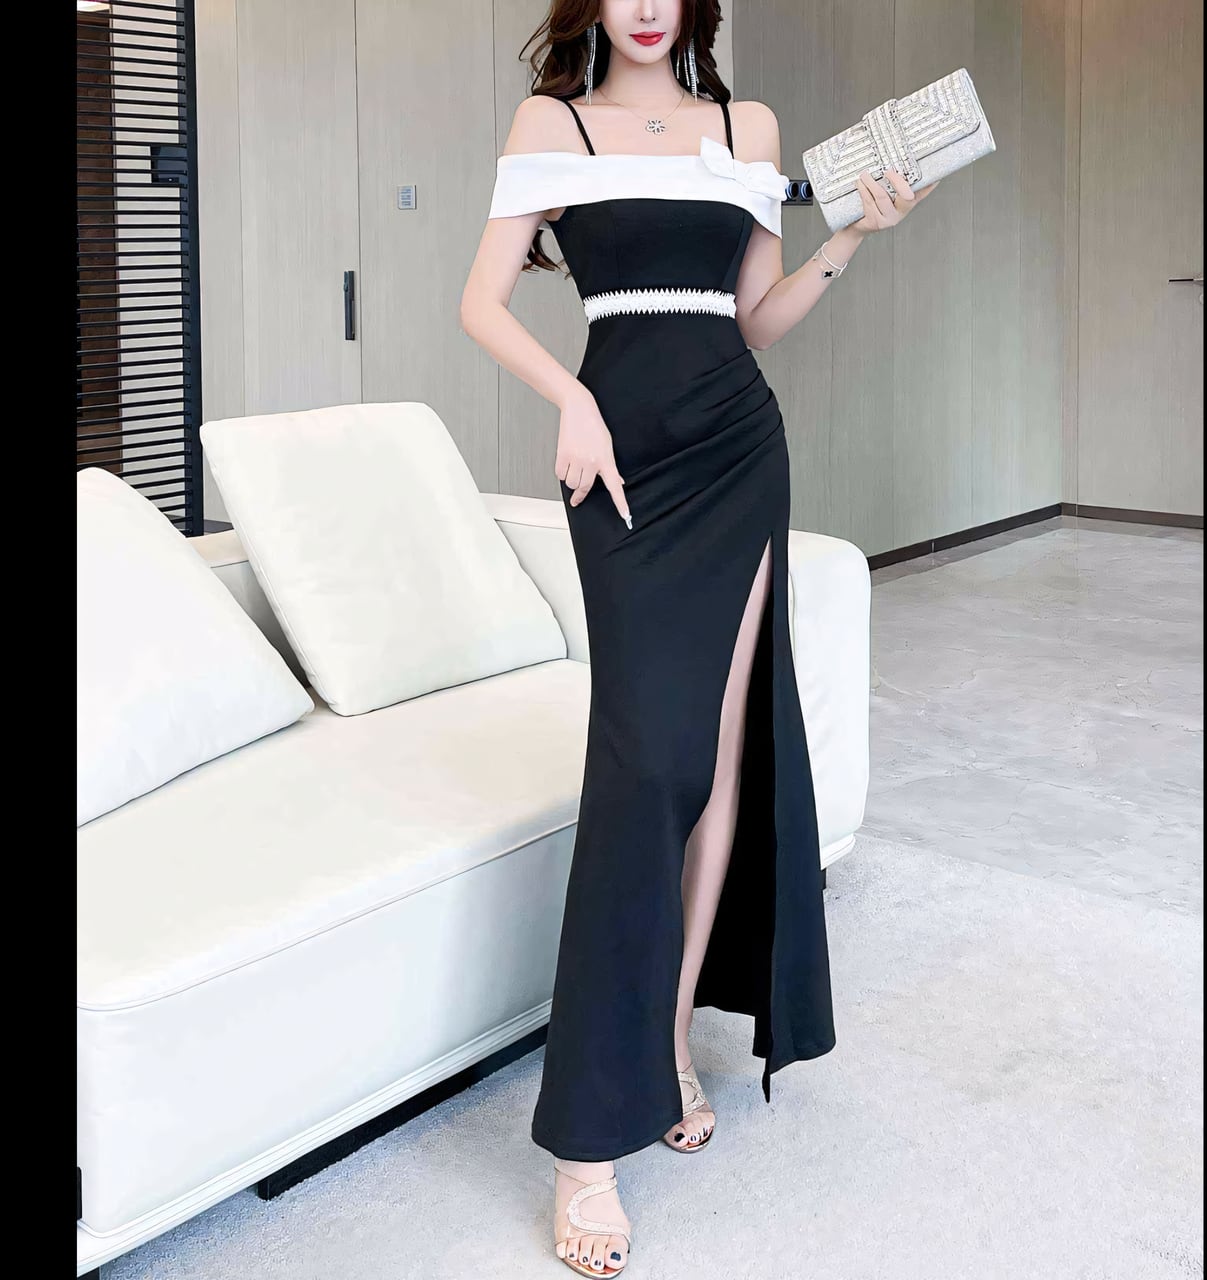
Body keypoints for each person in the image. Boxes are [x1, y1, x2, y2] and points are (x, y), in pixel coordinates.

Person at [460, 1, 934, 1273]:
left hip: (735, 449)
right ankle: (584, 1143)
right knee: (642, 768)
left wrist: (850, 235)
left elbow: (750, 316)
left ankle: (666, 1039)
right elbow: (480, 303)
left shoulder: (747, 126)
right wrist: (569, 398)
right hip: (615, 456)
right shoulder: (550, 123)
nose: (644, 4)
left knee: (718, 763)